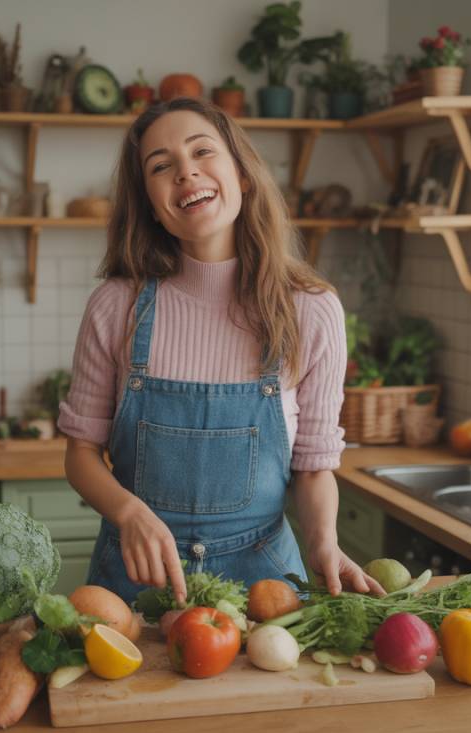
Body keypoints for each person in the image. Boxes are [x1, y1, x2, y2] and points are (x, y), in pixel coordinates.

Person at [58, 97, 385, 606]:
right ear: (150, 203)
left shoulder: (311, 309)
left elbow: (314, 465)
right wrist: (128, 513)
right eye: (161, 166)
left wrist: (324, 545)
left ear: (244, 175)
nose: (186, 173)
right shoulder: (116, 306)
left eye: (202, 152)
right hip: (137, 582)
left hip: (266, 585)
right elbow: (80, 454)